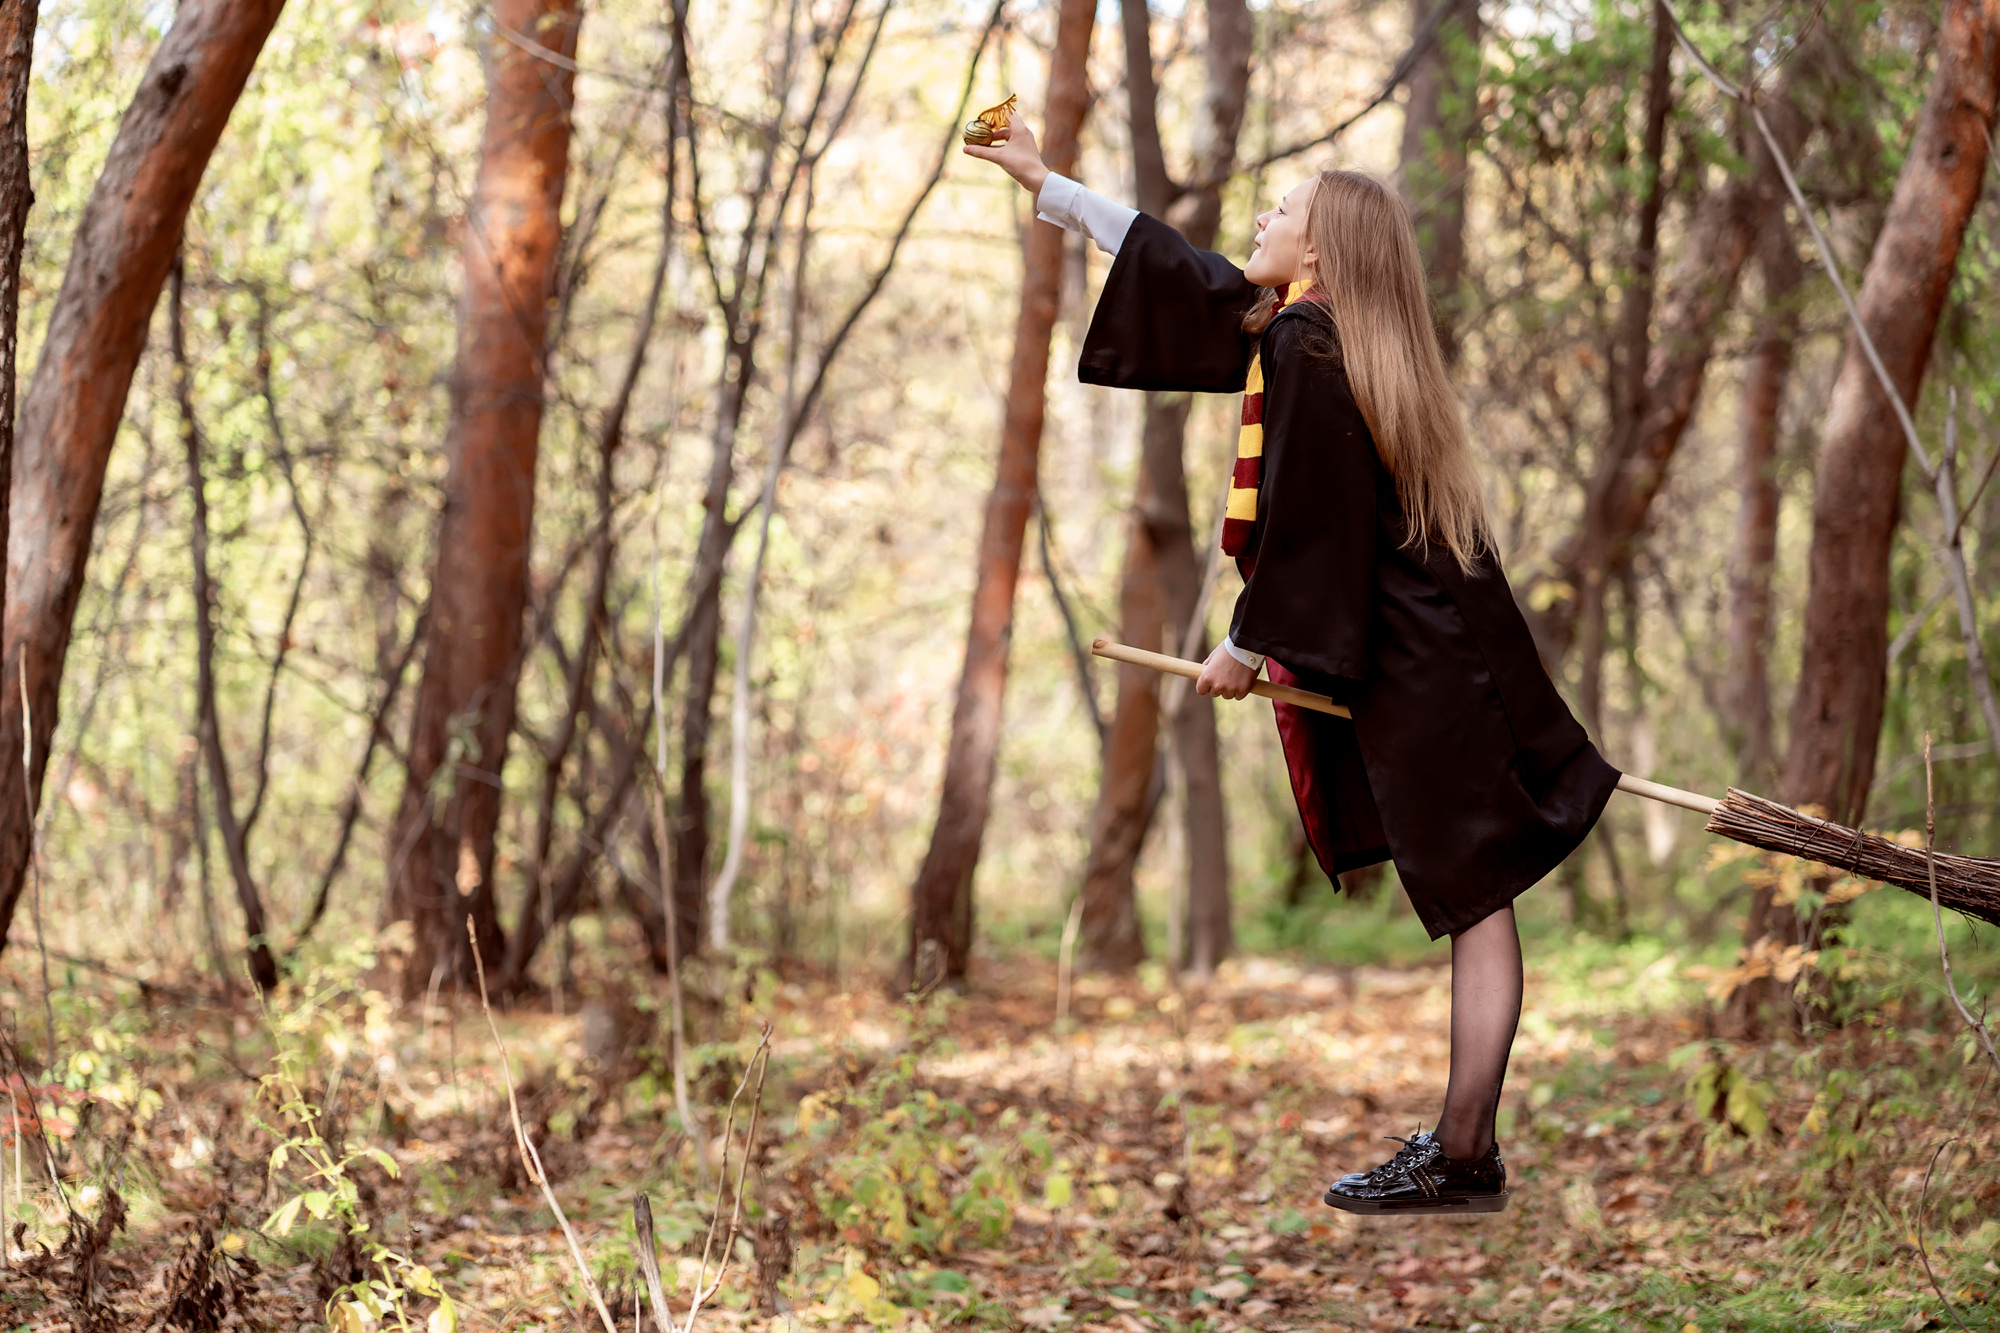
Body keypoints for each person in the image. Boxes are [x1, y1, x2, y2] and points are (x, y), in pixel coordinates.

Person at [965, 122, 1620, 1215]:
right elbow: (1184, 273)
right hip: (1439, 649)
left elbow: (1312, 522)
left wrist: (1246, 643)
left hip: (1427, 662)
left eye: (1280, 208)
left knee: (1474, 893)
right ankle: (1464, 1146)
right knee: (1477, 895)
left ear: (1319, 249)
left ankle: (1463, 1153)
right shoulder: (1312, 333)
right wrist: (1048, 184)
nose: (1259, 220)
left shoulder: (1311, 347)